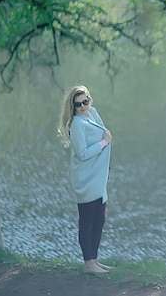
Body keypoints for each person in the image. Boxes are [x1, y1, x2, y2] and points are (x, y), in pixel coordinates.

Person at [58, 85, 114, 274]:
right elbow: (82, 153)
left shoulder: (93, 113)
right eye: (78, 104)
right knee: (87, 220)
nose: (83, 106)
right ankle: (88, 262)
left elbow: (103, 131)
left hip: (98, 176)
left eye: (85, 101)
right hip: (86, 178)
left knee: (100, 219)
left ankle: (95, 260)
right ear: (72, 106)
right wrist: (104, 142)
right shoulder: (77, 125)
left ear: (90, 99)